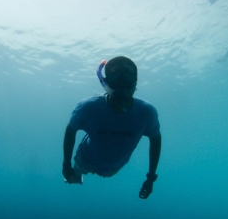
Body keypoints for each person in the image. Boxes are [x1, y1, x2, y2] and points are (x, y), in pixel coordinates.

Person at [62, 56, 161, 199]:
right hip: (85, 158)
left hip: (113, 168)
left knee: (106, 173)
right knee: (76, 173)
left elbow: (156, 139)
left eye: (127, 78)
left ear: (135, 83)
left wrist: (151, 178)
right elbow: (71, 129)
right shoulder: (88, 107)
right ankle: (75, 176)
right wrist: (66, 165)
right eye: (115, 78)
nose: (122, 86)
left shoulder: (146, 113)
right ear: (106, 83)